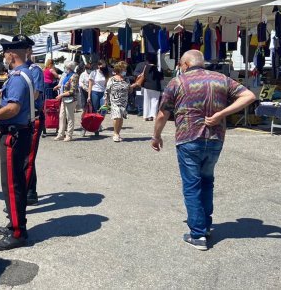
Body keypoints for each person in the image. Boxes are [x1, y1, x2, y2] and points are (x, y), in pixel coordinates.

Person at [151, 50, 256, 251]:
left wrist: (156, 136)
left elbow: (163, 114)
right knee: (207, 181)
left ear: (186, 64)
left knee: (192, 185)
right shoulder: (222, 79)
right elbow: (249, 96)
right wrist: (221, 114)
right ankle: (205, 226)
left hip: (188, 137)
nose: (180, 68)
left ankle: (198, 234)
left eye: (181, 64)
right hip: (215, 138)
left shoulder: (178, 82)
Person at [0, 36, 34, 250]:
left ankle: (17, 232)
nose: (4, 57)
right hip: (18, 132)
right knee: (15, 182)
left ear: (12, 54)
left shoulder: (19, 77)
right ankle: (15, 223)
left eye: (5, 53)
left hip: (14, 134)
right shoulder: (23, 74)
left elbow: (13, 109)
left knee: (12, 185)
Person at [22, 37, 44, 206]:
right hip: (21, 117)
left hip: (33, 115)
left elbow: (35, 94)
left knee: (28, 157)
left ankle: (29, 192)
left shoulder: (34, 69)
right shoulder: (17, 69)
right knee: (24, 156)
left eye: (24, 49)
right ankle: (30, 191)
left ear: (29, 51)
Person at [105, 61, 131, 142]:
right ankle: (115, 133)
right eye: (124, 69)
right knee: (117, 116)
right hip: (114, 100)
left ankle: (118, 133)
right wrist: (106, 100)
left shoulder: (126, 79)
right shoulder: (112, 79)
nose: (125, 70)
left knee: (121, 117)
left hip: (123, 101)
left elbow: (129, 90)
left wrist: (131, 88)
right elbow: (107, 90)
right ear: (119, 69)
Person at [54, 61, 79, 142]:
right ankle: (60, 134)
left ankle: (69, 135)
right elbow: (65, 85)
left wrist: (61, 95)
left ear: (70, 68)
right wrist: (59, 86)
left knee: (70, 117)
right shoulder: (67, 75)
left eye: (66, 68)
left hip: (71, 99)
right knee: (62, 116)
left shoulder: (74, 76)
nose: (65, 69)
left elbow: (72, 90)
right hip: (64, 99)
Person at [142, 54, 164, 121]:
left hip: (147, 86)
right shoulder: (159, 68)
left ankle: (145, 116)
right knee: (155, 101)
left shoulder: (146, 67)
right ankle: (153, 116)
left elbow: (144, 76)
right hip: (155, 86)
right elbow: (161, 78)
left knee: (146, 101)